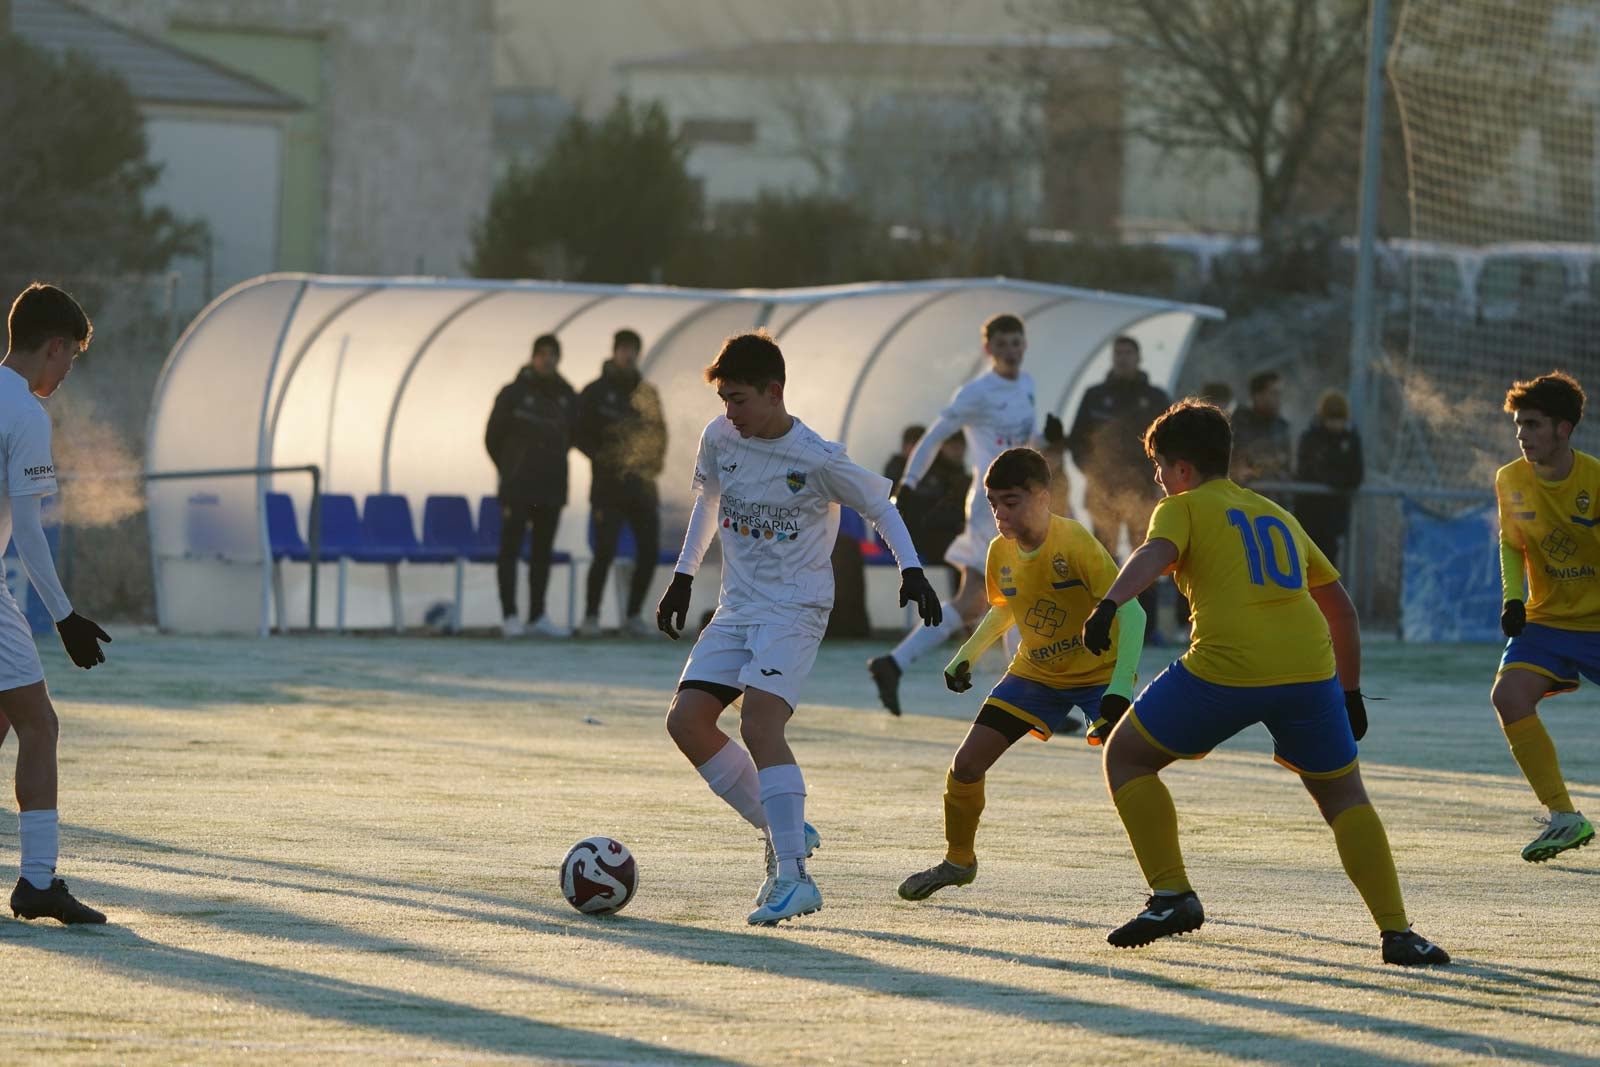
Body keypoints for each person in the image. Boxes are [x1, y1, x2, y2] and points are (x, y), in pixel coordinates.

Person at [1079, 398, 1449, 966]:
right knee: (1345, 797)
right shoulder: (1276, 513)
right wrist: (1347, 692)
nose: (1157, 478)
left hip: (1227, 666)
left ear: (1181, 470)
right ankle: (1398, 933)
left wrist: (1109, 603)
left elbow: (1155, 552)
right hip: (1309, 668)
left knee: (1125, 756)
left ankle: (1173, 895)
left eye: (1159, 466)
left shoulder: (1183, 506)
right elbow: (1341, 610)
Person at [656, 331, 940, 926]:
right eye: (723, 400)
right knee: (685, 721)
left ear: (774, 391)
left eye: (738, 399)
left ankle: (795, 876)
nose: (728, 412)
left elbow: (879, 507)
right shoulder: (720, 436)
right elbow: (708, 503)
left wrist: (911, 569)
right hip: (739, 606)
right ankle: (781, 823)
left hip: (796, 607)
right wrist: (683, 577)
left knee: (759, 721)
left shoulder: (816, 457)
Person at [897, 448, 1145, 901]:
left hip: (1098, 677)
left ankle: (1166, 886)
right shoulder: (998, 551)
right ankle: (958, 862)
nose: (999, 513)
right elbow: (1007, 606)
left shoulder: (1076, 544)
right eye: (993, 503)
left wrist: (1119, 688)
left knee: (1131, 770)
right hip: (1035, 673)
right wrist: (966, 656)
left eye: (1010, 501)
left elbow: (1132, 612)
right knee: (965, 766)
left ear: (1043, 496)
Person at [1, 283, 112, 924]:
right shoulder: (24, 413)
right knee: (40, 724)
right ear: (55, 346)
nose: (68, 371)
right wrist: (65, 615)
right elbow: (32, 530)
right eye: (71, 357)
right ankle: (38, 882)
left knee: (4, 721)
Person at [867, 313, 1039, 717]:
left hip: (1019, 502)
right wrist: (907, 484)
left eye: (1017, 343)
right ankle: (1023, 699)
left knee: (976, 601)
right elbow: (935, 436)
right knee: (1014, 593)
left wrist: (1046, 439)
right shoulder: (976, 392)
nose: (1011, 351)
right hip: (991, 506)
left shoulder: (1028, 384)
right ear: (988, 350)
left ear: (1024, 345)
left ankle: (893, 664)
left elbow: (1016, 442)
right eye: (1003, 344)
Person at [1492, 371, 1596, 863]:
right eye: (1518, 426)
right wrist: (1514, 600)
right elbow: (1511, 545)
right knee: (1509, 696)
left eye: (1532, 425)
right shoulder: (1510, 479)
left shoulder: (1596, 482)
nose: (1522, 435)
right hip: (1547, 622)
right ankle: (1564, 817)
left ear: (1564, 429)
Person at [1067, 335, 1170, 637]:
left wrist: (1157, 480)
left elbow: (1169, 442)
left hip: (1143, 491)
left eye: (1129, 353)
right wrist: (1094, 476)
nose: (1123, 358)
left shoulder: (1154, 397)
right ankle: (1104, 624)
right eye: (1118, 353)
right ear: (1112, 358)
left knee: (1146, 556)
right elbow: (1077, 442)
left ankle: (1147, 628)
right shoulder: (1095, 396)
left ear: (1139, 359)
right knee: (1103, 558)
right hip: (1103, 492)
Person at [575, 329, 667, 638]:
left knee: (649, 551)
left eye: (633, 350)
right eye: (623, 349)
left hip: (642, 487)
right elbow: (577, 432)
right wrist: (602, 458)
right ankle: (591, 617)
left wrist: (653, 465)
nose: (628, 355)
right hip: (607, 488)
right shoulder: (594, 392)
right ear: (614, 351)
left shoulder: (647, 393)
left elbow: (659, 434)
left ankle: (633, 616)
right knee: (604, 552)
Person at [485, 333, 578, 638]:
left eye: (553, 354)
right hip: (517, 488)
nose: (547, 359)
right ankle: (509, 616)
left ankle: (538, 615)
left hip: (551, 489)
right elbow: (492, 438)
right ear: (533, 356)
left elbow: (574, 435)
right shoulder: (512, 393)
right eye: (542, 353)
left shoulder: (566, 395)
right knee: (509, 551)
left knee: (542, 553)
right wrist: (511, 468)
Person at [1294, 389, 1364, 563]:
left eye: (1339, 419)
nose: (1335, 424)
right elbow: (1311, 470)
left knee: (1329, 565)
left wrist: (1337, 479)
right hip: (1309, 513)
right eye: (1331, 419)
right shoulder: (1311, 436)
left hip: (1334, 517)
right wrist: (1337, 478)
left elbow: (1356, 474)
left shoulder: (1351, 438)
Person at [1231, 370, 1293, 492]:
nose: (1278, 398)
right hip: (1246, 499)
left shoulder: (1282, 428)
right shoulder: (1238, 424)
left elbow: (1287, 465)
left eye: (1280, 393)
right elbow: (1239, 463)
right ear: (1258, 395)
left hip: (1276, 502)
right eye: (1273, 393)